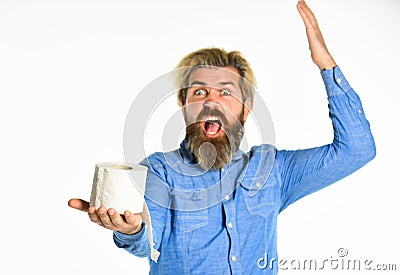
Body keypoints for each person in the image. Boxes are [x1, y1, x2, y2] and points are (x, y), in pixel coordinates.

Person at [68, 1, 376, 274]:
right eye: (200, 91)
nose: (211, 101)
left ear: (246, 109)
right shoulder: (159, 171)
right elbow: (148, 235)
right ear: (183, 105)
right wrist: (131, 229)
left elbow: (357, 149)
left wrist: (325, 64)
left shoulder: (273, 171)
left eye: (225, 92)